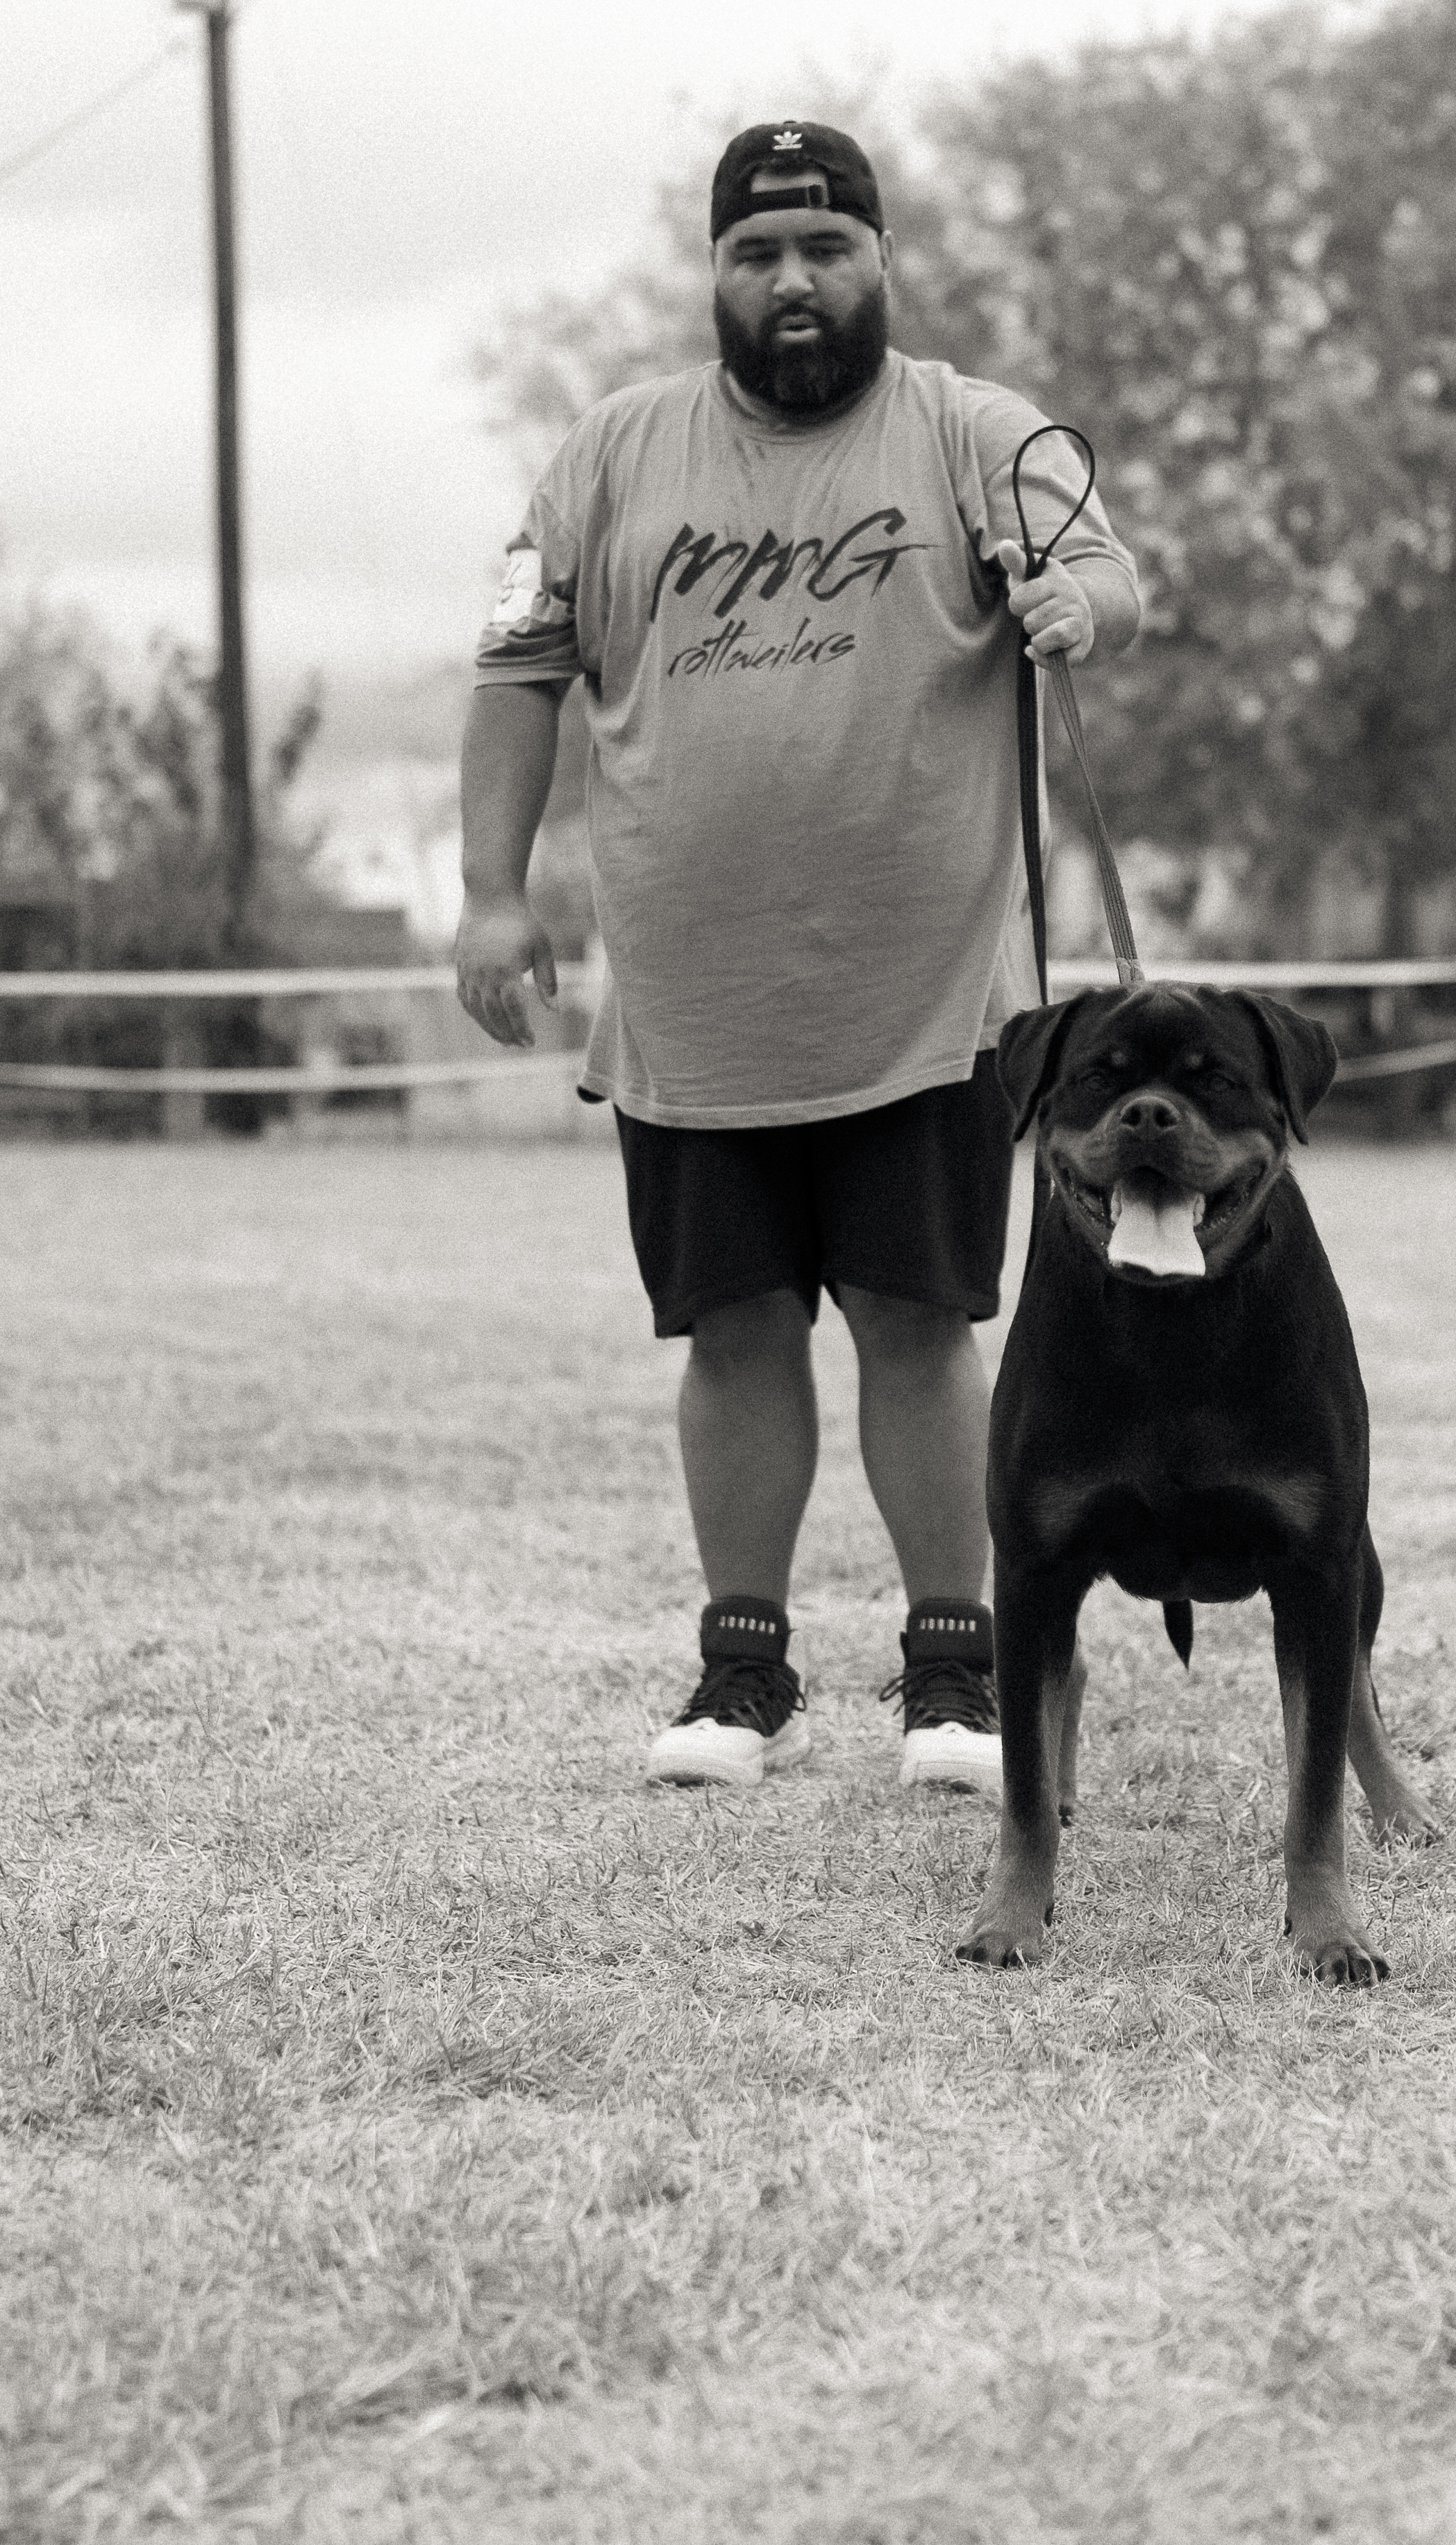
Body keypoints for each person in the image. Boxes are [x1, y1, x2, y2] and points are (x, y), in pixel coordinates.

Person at [455, 119, 1141, 1797]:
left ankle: (954, 1676)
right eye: (757, 253)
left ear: (881, 261)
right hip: (693, 1007)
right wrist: (490, 892)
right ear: (713, 273)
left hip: (922, 1005)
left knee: (917, 1320)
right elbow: (514, 671)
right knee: (736, 1328)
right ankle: (738, 1671)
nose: (793, 281)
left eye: (825, 248)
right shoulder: (609, 456)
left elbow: (1103, 565)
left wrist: (1080, 612)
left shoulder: (974, 433)